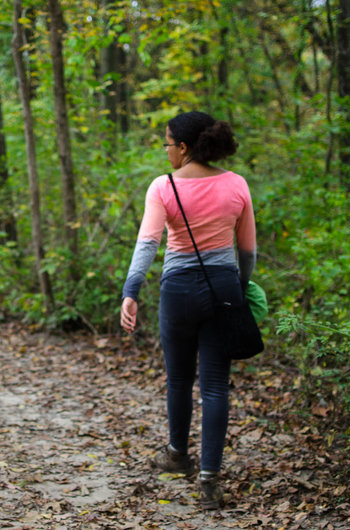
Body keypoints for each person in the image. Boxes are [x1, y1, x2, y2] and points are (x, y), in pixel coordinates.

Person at [120, 111, 256, 510]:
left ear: (183, 147)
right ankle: (210, 480)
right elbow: (247, 251)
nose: (165, 151)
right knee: (215, 385)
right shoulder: (237, 184)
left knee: (179, 379)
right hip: (223, 290)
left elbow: (147, 245)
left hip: (178, 291)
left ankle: (178, 454)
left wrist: (131, 290)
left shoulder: (163, 187)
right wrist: (240, 290)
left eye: (167, 143)